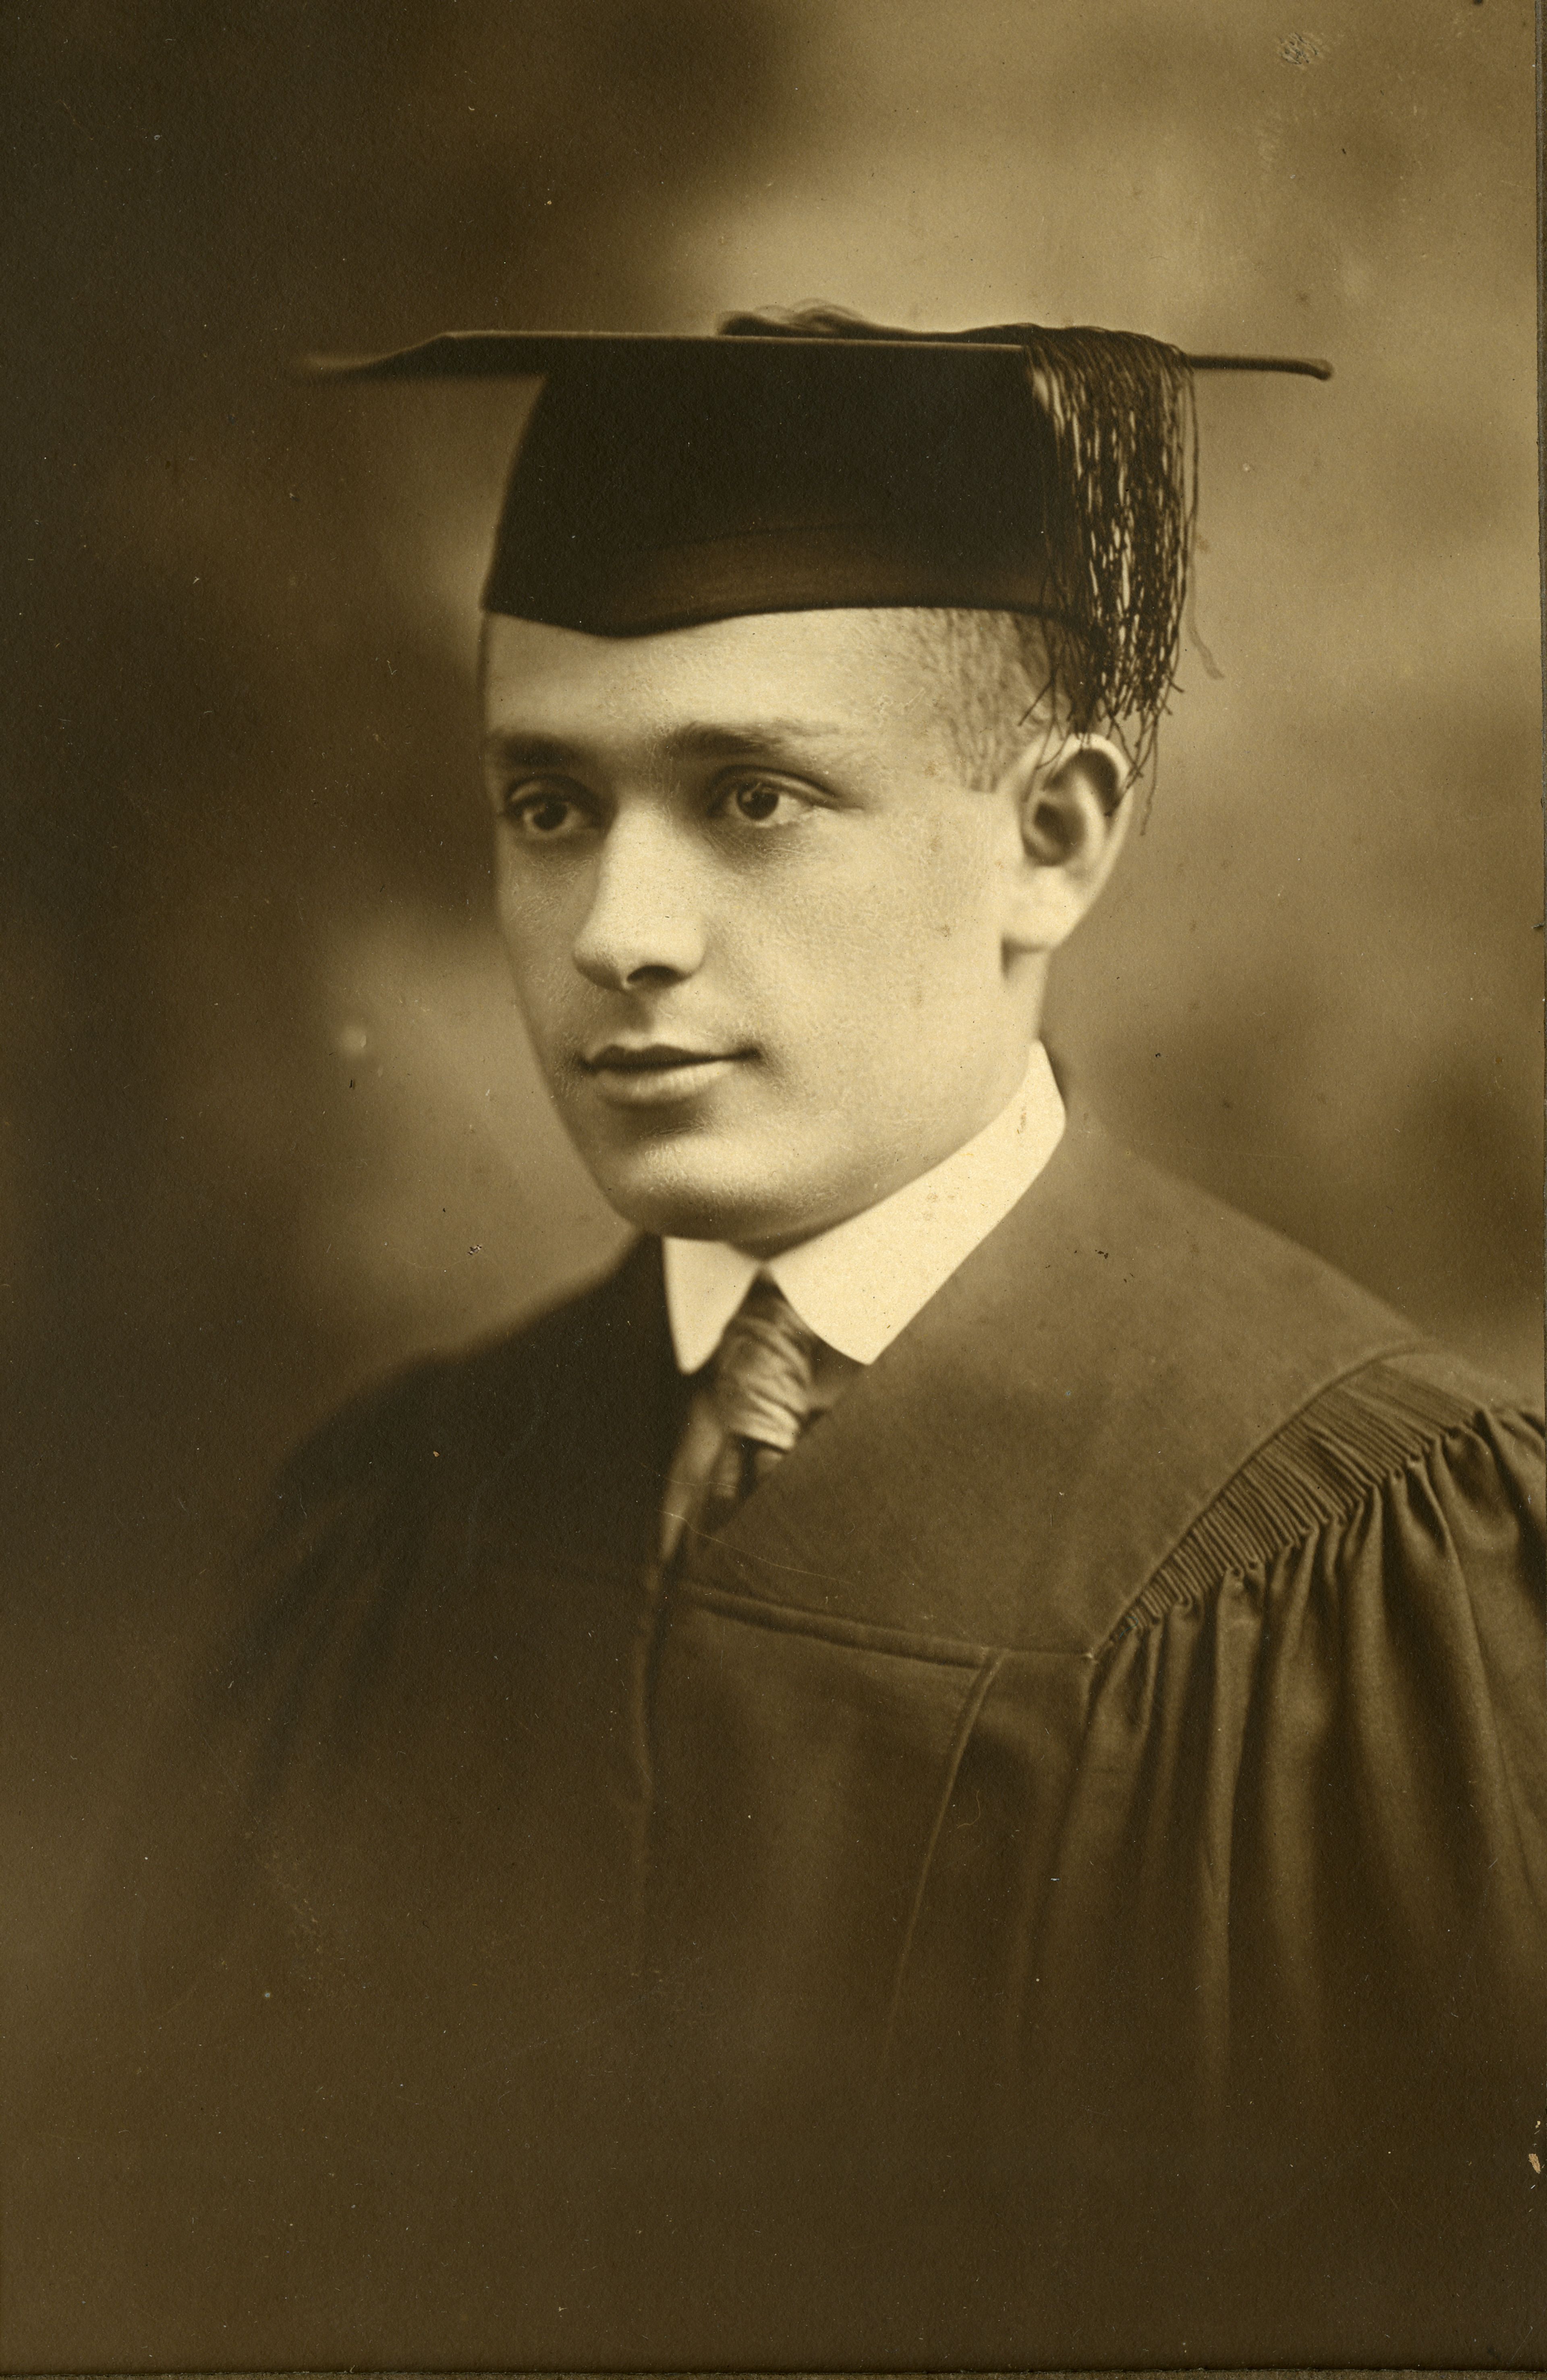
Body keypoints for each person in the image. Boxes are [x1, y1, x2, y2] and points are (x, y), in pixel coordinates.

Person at [14, 309, 1545, 2369]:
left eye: (748, 795)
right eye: (547, 803)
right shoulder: (392, 1526)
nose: (618, 933)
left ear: (1055, 836)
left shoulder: (1366, 1584)